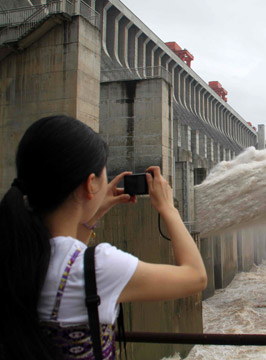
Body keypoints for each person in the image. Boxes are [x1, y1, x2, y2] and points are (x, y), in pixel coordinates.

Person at [0, 115, 207, 359]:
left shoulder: (13, 249)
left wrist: (93, 212)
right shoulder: (100, 266)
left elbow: (65, 253)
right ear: (90, 184)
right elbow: (195, 277)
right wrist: (168, 208)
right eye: (103, 176)